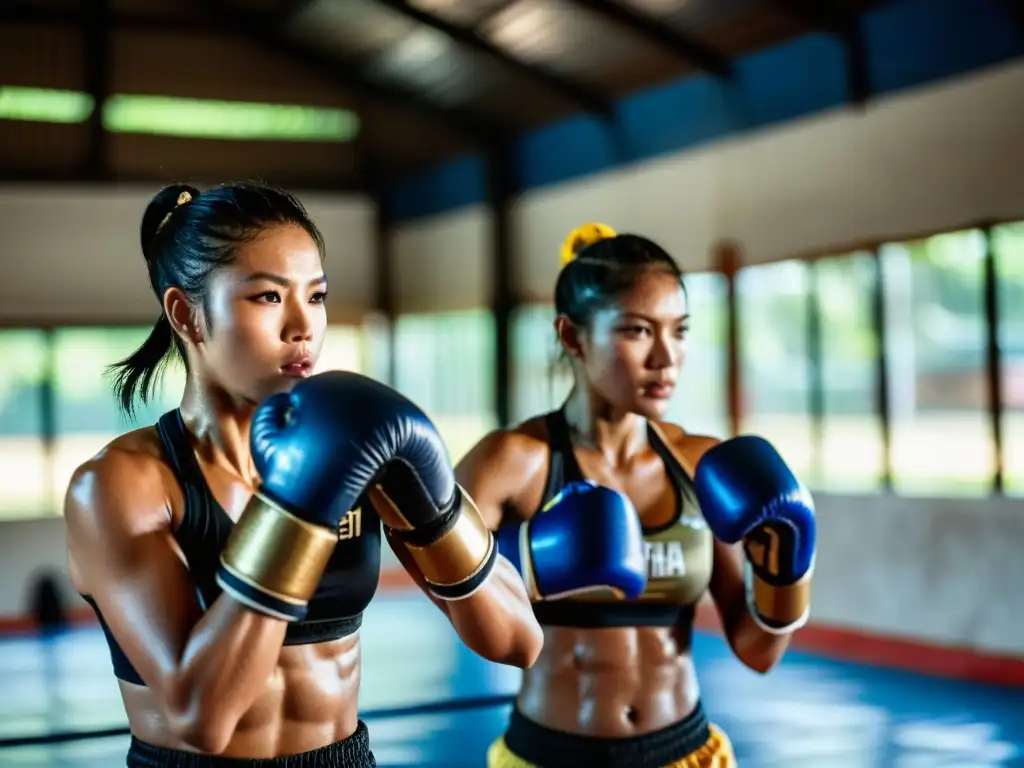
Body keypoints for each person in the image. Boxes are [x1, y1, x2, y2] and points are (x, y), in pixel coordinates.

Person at [64, 182, 543, 767]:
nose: (303, 326)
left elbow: (518, 641)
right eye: (268, 297)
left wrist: (435, 503)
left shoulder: (357, 444)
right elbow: (201, 717)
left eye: (316, 297)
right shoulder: (125, 485)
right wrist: (299, 505)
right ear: (186, 313)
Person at [457, 224, 817, 768]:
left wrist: (788, 571)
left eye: (680, 330)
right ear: (573, 337)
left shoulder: (702, 464)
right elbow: (444, 589)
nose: (666, 358)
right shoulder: (514, 461)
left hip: (686, 753)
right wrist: (526, 561)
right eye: (638, 331)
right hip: (550, 754)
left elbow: (756, 651)